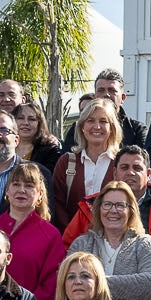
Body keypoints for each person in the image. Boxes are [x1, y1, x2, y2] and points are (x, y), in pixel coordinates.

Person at [68, 180, 151, 300]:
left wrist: (94, 283)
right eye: (107, 204)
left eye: (120, 205)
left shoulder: (146, 243)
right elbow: (67, 283)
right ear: (99, 209)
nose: (113, 210)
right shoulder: (81, 244)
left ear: (131, 211)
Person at [0, 164, 67, 300]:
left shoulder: (50, 235)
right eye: (16, 184)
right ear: (7, 190)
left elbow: (52, 284)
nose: (22, 190)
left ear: (40, 194)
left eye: (29, 185)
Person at [49, 100, 124, 237]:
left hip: (113, 242)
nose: (97, 126)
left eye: (103, 121)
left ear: (112, 128)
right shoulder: (67, 162)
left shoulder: (121, 164)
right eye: (90, 121)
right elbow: (57, 204)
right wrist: (72, 237)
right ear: (82, 126)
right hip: (73, 243)